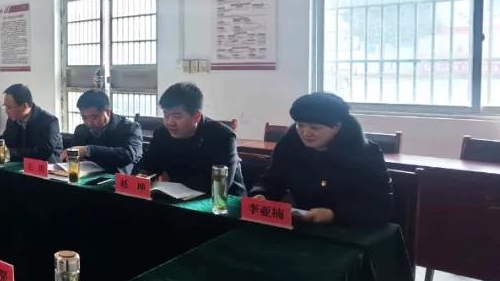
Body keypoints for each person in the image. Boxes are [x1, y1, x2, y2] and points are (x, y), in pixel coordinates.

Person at [251, 92, 392, 227]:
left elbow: (380, 206)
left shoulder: (366, 154)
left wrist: (334, 214)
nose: (305, 133)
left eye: (315, 128)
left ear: (336, 127)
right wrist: (261, 194)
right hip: (306, 225)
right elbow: (273, 178)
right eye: (300, 125)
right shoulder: (289, 146)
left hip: (351, 229)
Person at [138, 83, 245, 195]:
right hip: (173, 196)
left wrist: (170, 177)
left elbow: (218, 184)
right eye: (166, 115)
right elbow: (148, 164)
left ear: (196, 116)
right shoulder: (161, 133)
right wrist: (143, 174)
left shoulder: (222, 136)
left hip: (222, 200)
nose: (169, 122)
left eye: (177, 116)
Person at [62, 89, 144, 174]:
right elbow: (73, 158)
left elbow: (129, 155)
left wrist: (88, 150)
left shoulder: (130, 127)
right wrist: (69, 157)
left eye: (94, 117)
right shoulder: (81, 129)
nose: (89, 122)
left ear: (107, 112)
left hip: (116, 178)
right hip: (85, 177)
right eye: (84, 117)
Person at [0, 83, 63, 163]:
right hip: (17, 166)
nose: (6, 111)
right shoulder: (12, 120)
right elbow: (6, 141)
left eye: (9, 107)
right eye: (5, 106)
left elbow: (42, 153)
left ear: (25, 106)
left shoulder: (49, 122)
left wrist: (10, 152)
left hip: (45, 168)